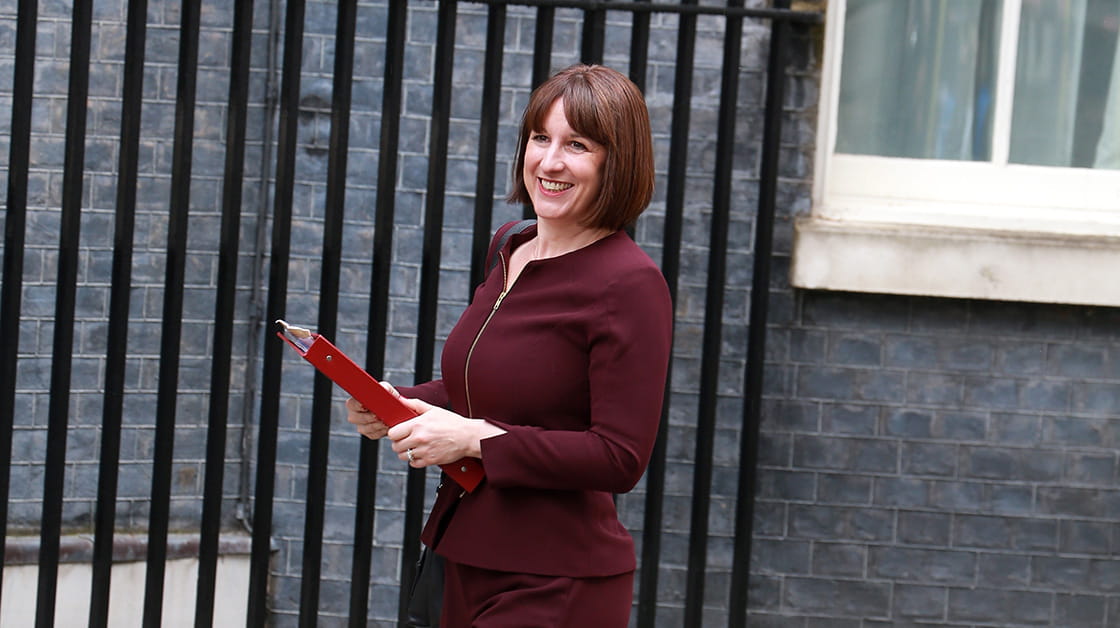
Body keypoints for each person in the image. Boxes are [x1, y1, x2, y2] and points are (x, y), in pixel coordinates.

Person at [346, 63, 672, 627]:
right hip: (458, 553)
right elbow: (488, 386)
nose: (549, 161)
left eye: (577, 145)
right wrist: (397, 401)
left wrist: (474, 439)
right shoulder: (510, 245)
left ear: (616, 163)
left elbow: (619, 456)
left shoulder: (630, 284)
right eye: (541, 138)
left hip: (553, 580)